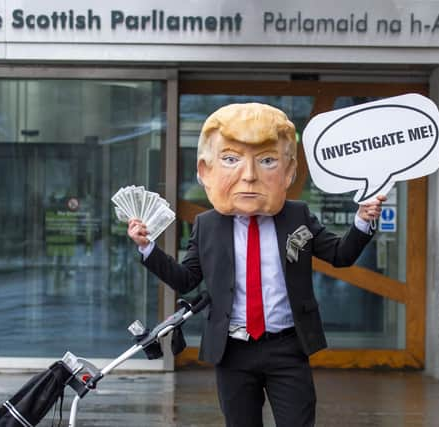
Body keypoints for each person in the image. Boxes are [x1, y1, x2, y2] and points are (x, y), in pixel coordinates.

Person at [127, 103, 386, 427]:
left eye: (266, 161)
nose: (249, 176)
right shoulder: (208, 224)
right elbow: (186, 279)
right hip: (233, 351)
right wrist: (147, 247)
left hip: (287, 347)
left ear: (288, 172)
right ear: (206, 171)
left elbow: (340, 255)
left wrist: (362, 221)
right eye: (232, 160)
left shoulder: (297, 215)